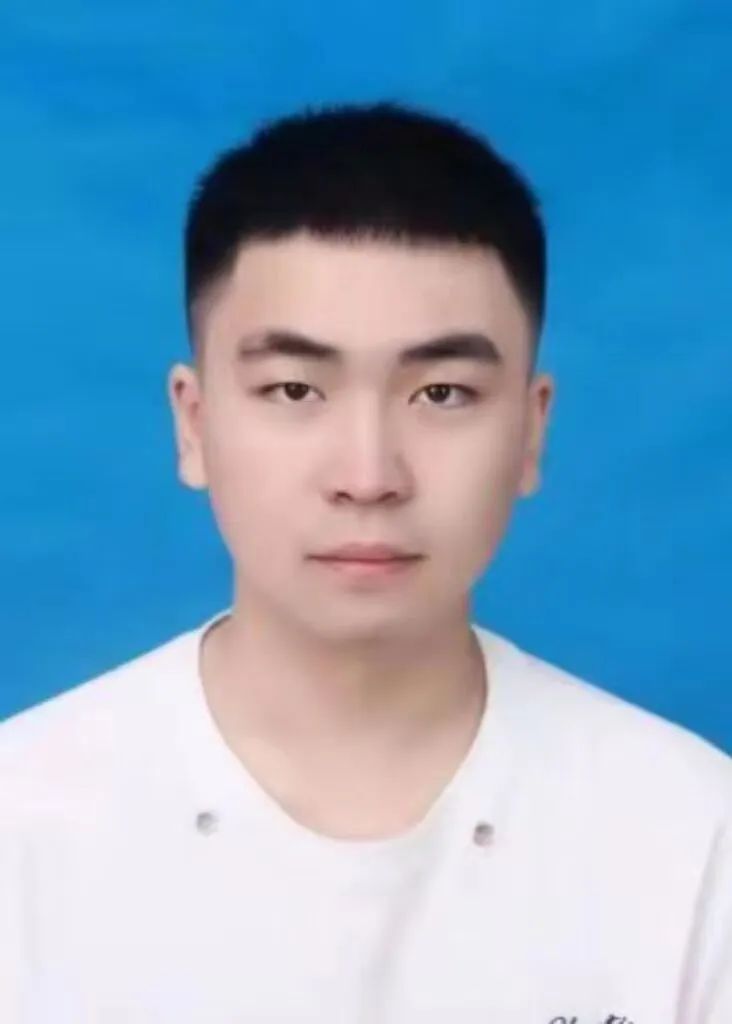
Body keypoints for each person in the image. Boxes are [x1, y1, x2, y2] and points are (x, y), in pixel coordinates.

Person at [1, 99, 729, 1023]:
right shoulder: (22, 826)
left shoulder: (693, 840)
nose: (368, 476)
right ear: (194, 423)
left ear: (531, 429)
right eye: (293, 389)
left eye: (442, 392)